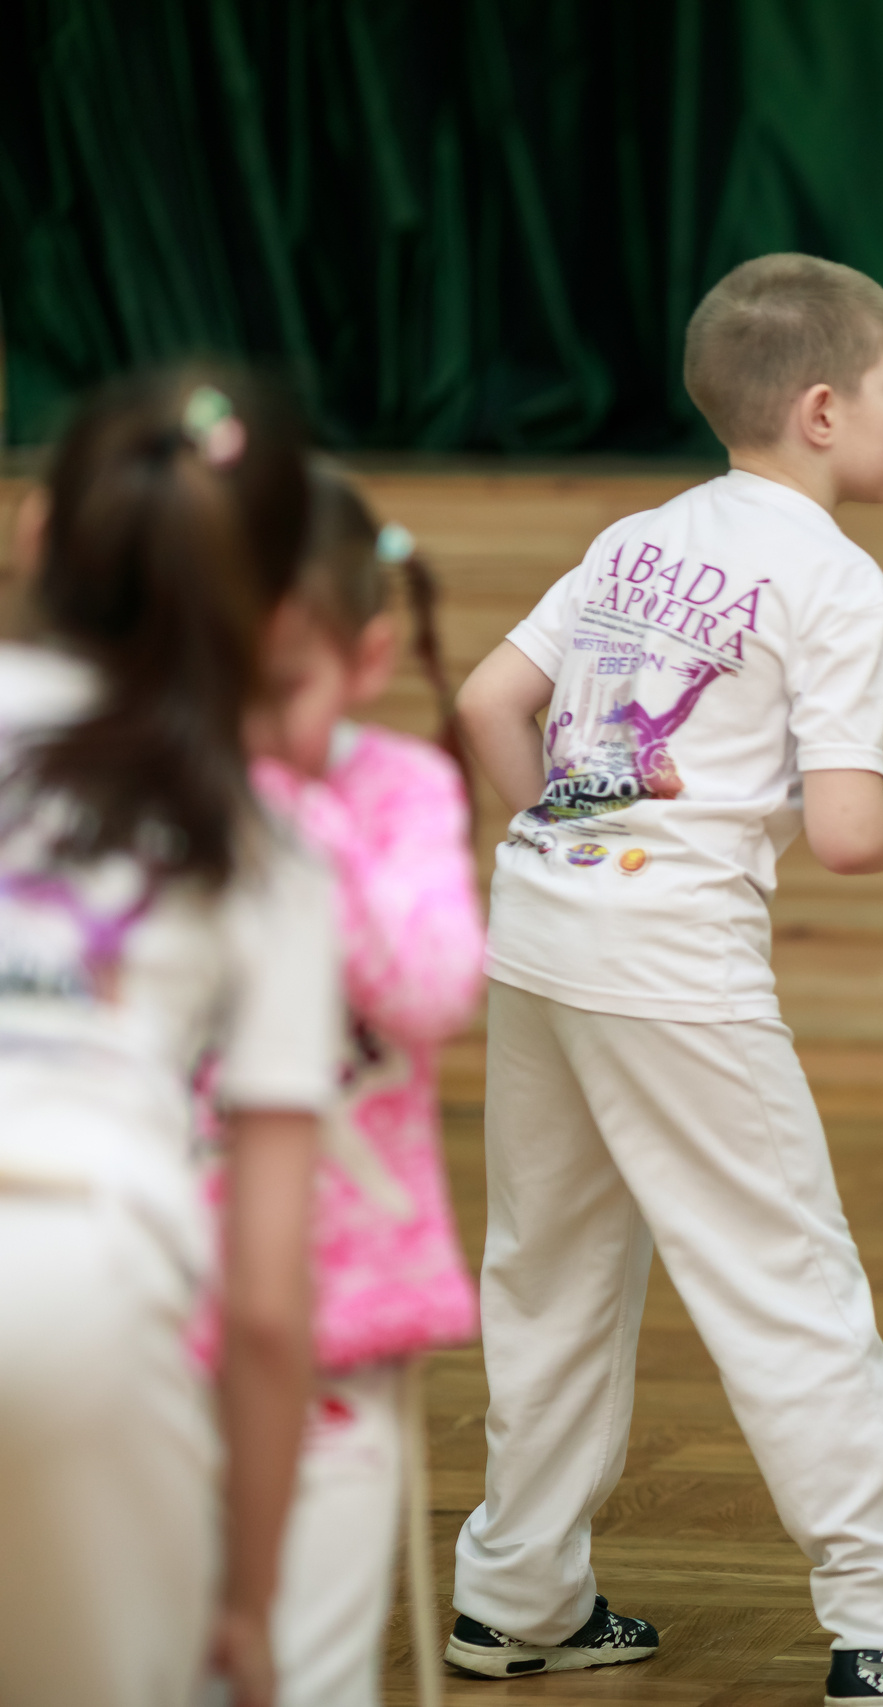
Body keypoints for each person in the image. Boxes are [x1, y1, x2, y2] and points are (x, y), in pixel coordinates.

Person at [448, 254, 883, 1706]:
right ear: (826, 410)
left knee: (549, 1270)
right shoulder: (834, 576)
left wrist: (562, 842)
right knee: (787, 1280)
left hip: (539, 934)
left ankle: (515, 1598)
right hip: (674, 968)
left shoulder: (638, 533)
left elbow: (484, 699)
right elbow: (846, 831)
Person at [0, 370, 339, 1707]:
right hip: (75, 1288)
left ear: (33, 530)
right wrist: (247, 1603)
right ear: (270, 602)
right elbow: (264, 1306)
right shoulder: (265, 854)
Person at [196, 465, 484, 1707]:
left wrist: (296, 833)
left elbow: (431, 989)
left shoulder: (396, 793)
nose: (245, 721)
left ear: (366, 660)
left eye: (283, 688)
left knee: (307, 1663)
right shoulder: (146, 781)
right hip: (156, 1292)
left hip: (338, 1302)